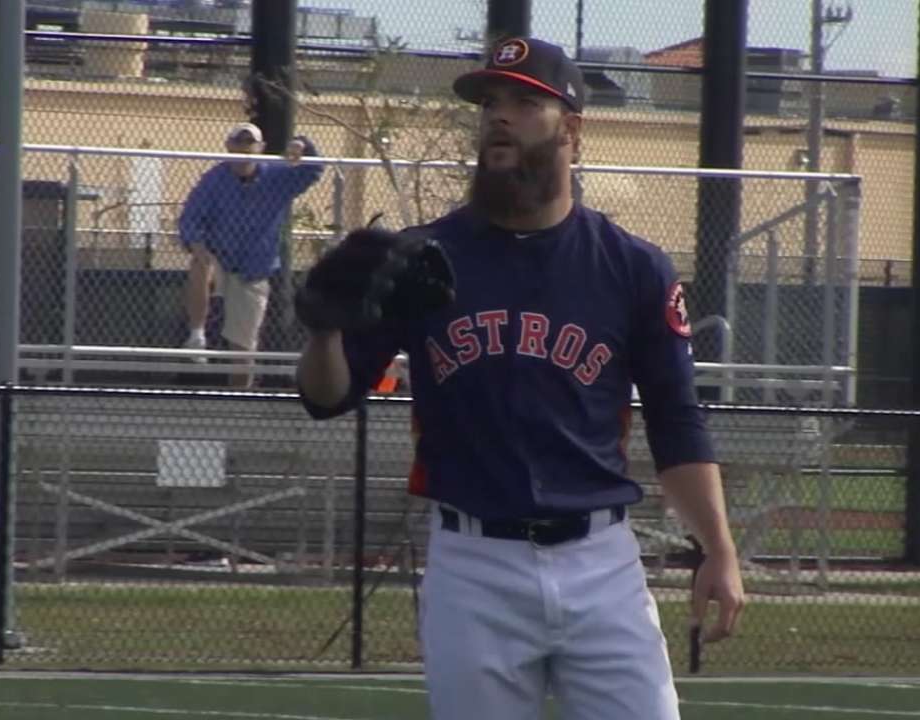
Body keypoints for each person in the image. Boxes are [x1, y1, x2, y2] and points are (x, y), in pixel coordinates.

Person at [295, 37, 743, 720]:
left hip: (601, 561)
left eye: (526, 102)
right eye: (490, 103)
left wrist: (718, 548)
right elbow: (327, 397)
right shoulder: (422, 261)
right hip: (474, 566)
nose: (499, 116)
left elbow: (677, 423)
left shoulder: (631, 268)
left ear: (572, 128)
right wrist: (325, 330)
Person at [177, 121, 323, 385]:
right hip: (219, 258)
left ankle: (239, 397)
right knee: (199, 264)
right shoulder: (214, 179)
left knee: (243, 348)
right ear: (228, 146)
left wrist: (302, 144)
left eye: (250, 144)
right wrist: (197, 246)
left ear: (261, 148)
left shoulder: (277, 175)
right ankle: (197, 335)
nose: (244, 150)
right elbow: (190, 218)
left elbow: (314, 170)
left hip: (253, 269)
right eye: (239, 143)